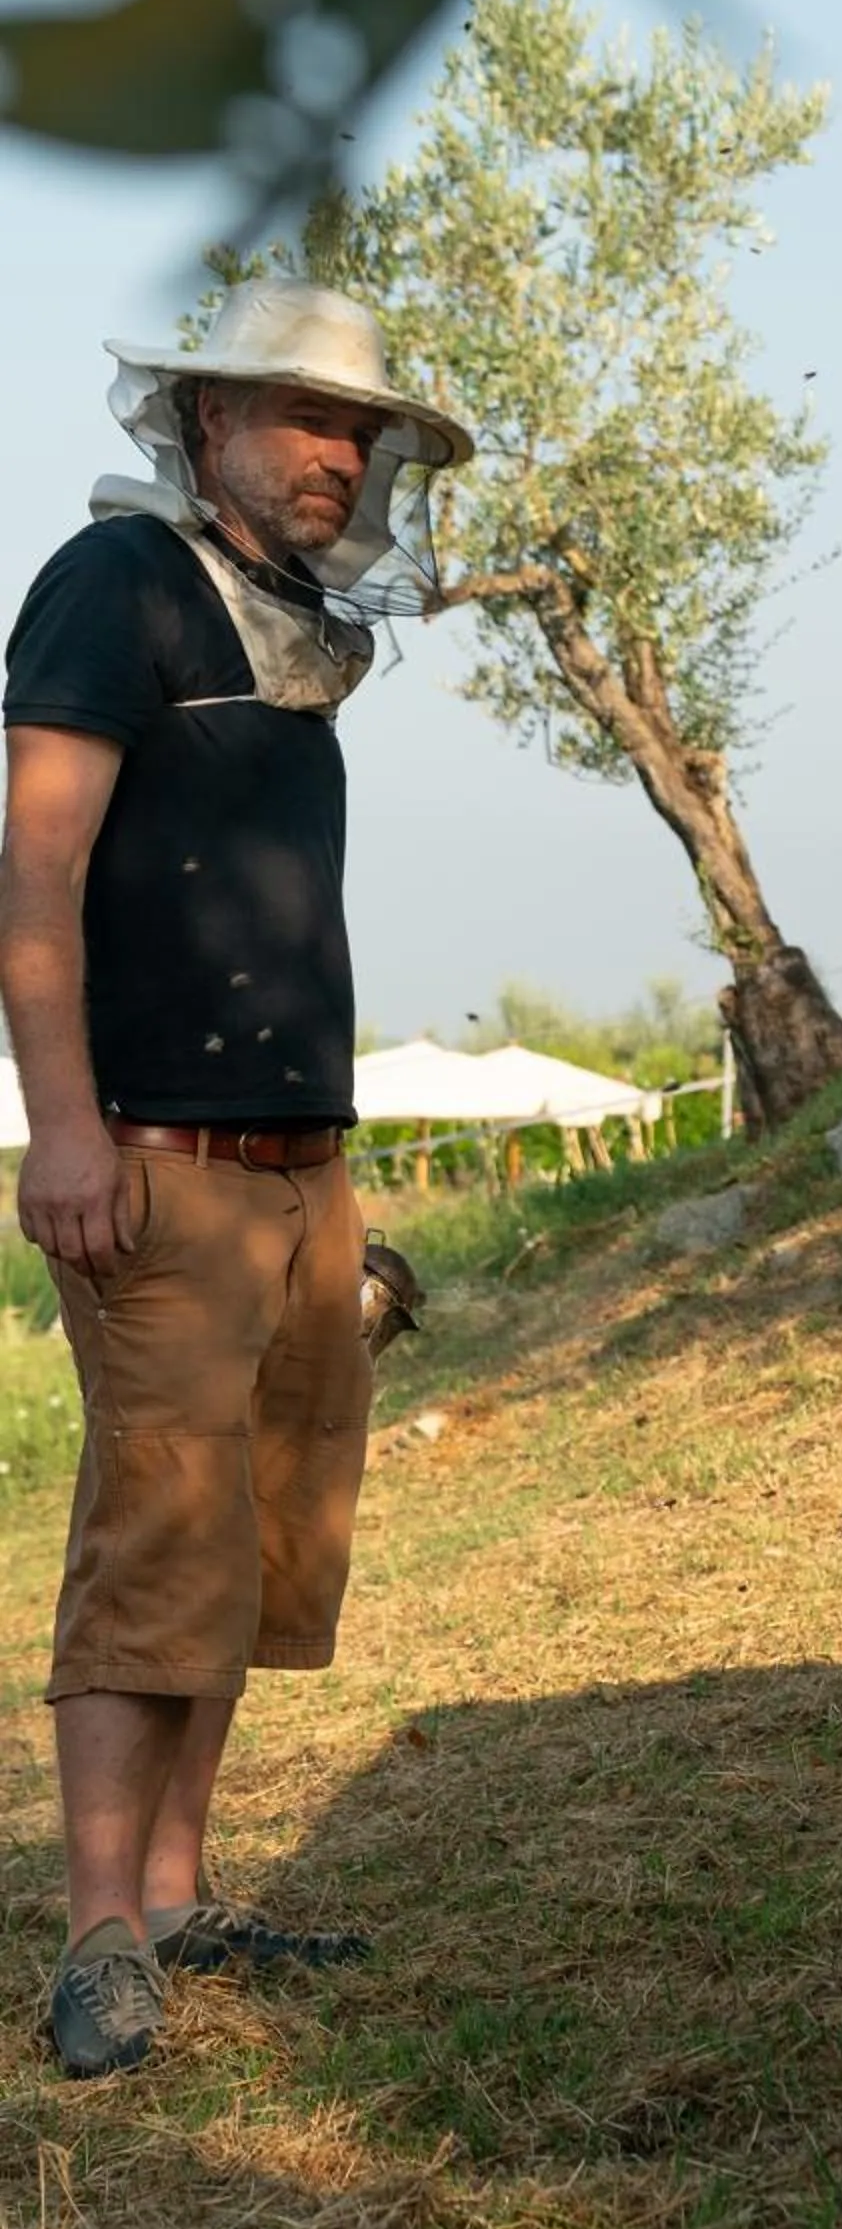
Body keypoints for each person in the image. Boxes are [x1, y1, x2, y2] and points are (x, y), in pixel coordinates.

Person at [0, 277, 474, 2077]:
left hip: (299, 1162)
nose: (338, 454)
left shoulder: (287, 624)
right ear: (204, 421)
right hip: (152, 1156)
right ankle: (100, 1934)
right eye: (303, 417)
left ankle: (184, 1898)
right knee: (157, 1535)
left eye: (358, 429)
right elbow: (31, 875)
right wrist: (62, 1130)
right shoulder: (110, 584)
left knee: (261, 1532)